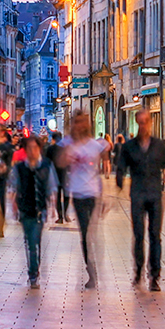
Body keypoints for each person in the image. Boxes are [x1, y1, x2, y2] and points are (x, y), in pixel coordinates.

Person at [116, 110, 165, 290]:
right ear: (137, 123)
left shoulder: (158, 146)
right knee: (139, 235)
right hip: (138, 195)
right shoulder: (129, 147)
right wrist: (118, 184)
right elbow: (121, 168)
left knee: (155, 236)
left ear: (150, 123)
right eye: (140, 122)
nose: (143, 125)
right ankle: (138, 270)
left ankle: (154, 275)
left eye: (146, 122)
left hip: (155, 196)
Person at [61, 111, 110, 289]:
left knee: (93, 233)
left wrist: (105, 195)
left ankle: (94, 267)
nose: (81, 125)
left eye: (83, 122)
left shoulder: (94, 145)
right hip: (78, 194)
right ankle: (91, 271)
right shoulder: (68, 143)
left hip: (93, 194)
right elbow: (59, 162)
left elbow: (102, 169)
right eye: (77, 122)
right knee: (85, 234)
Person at [9, 136, 58, 288]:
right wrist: (14, 204)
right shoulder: (19, 168)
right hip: (25, 209)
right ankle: (33, 274)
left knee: (35, 240)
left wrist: (52, 207)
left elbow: (52, 187)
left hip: (39, 209)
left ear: (39, 149)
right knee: (30, 242)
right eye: (29, 148)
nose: (32, 151)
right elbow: (13, 186)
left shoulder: (47, 165)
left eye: (35, 148)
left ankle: (34, 271)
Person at [48, 131, 71, 224]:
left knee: (57, 197)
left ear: (53, 139)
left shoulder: (50, 149)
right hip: (66, 174)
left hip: (54, 175)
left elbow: (47, 162)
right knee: (67, 195)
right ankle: (65, 213)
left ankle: (60, 216)